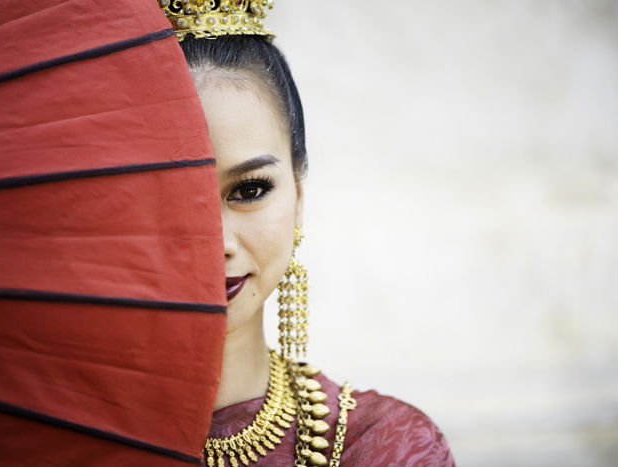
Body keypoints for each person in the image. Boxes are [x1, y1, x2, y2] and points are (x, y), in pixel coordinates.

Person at [161, 1, 456, 465]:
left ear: (298, 196)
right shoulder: (50, 440)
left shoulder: (384, 445)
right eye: (174, 200)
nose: (219, 244)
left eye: (251, 189)